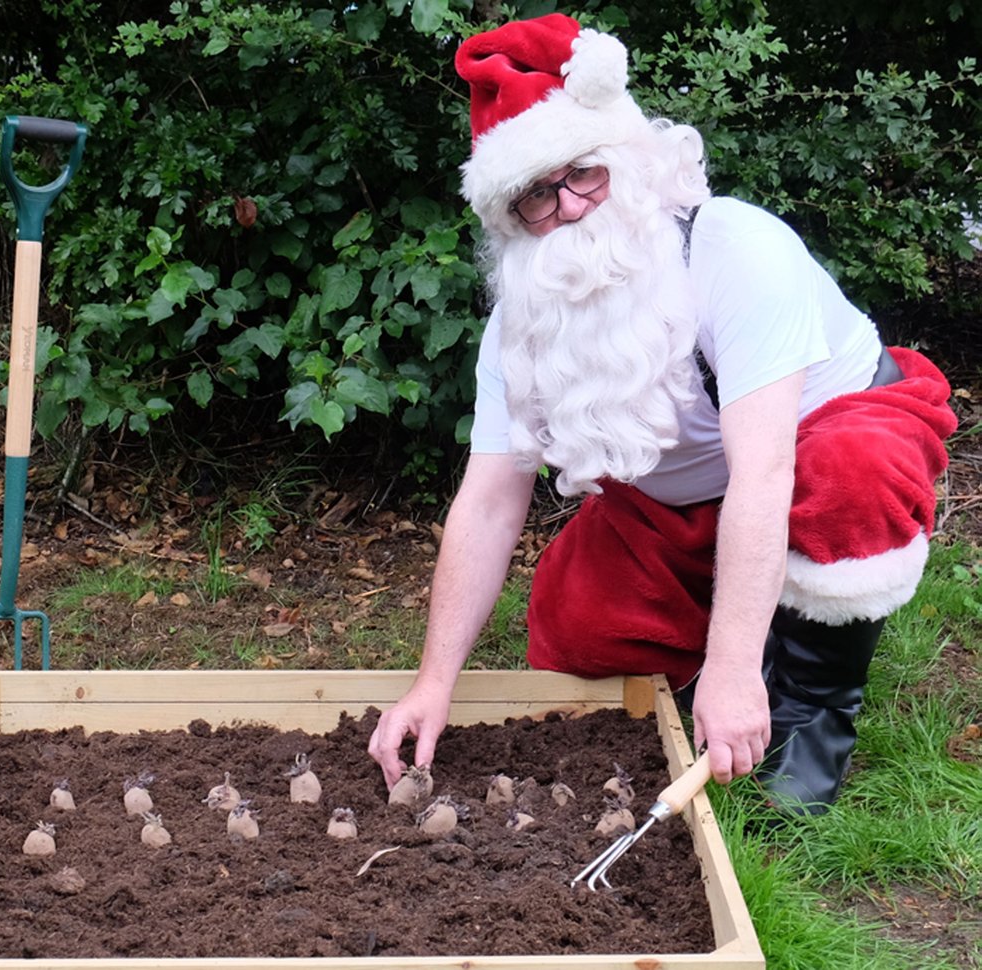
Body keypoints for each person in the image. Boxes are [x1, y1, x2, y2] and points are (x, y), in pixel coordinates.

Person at [367, 14, 957, 814]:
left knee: (850, 476)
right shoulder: (522, 326)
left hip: (820, 447)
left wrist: (733, 665)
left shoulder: (736, 249)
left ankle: (808, 703)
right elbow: (490, 497)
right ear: (511, 221)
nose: (569, 209)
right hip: (685, 499)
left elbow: (765, 472)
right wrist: (432, 684)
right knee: (575, 623)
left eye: (584, 175)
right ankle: (725, 650)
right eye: (537, 196)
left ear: (630, 163)